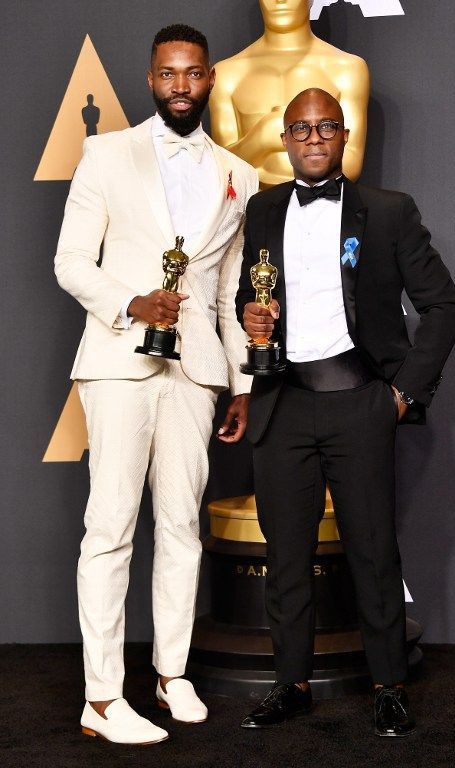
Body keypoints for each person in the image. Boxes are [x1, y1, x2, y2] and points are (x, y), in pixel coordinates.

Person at [236, 88, 455, 736]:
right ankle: (291, 684)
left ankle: (388, 685)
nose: (311, 138)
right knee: (285, 557)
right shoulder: (261, 209)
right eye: (300, 128)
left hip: (359, 403)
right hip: (281, 405)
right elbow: (243, 300)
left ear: (342, 135)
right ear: (284, 138)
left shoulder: (388, 212)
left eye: (324, 127)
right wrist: (247, 317)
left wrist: (401, 394)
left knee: (371, 553)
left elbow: (443, 308)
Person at [55, 24, 258, 745]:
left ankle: (172, 675)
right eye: (167, 73)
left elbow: (232, 289)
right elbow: (71, 261)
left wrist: (237, 379)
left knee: (180, 527)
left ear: (208, 81)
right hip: (117, 361)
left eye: (192, 73)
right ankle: (102, 699)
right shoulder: (106, 154)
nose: (180, 85)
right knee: (109, 530)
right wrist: (131, 301)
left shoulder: (240, 174)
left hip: (196, 370)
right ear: (150, 80)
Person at [210, 0, 369, 186]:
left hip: (326, 209)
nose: (280, 1)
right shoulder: (226, 75)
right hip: (251, 211)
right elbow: (222, 168)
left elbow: (351, 162)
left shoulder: (348, 69)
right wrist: (261, 138)